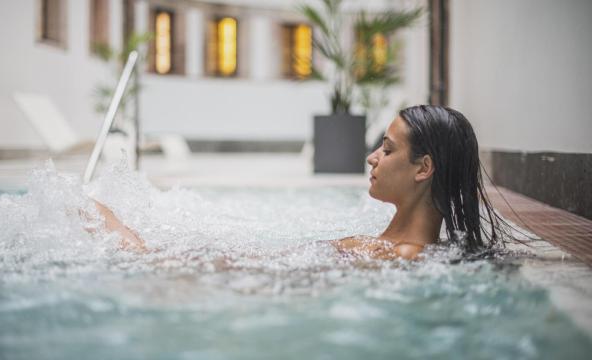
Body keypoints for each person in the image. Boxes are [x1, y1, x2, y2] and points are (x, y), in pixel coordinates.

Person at [88, 105, 508, 260]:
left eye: (387, 148)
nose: (372, 157)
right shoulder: (390, 246)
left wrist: (140, 250)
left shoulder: (401, 255)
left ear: (424, 168)